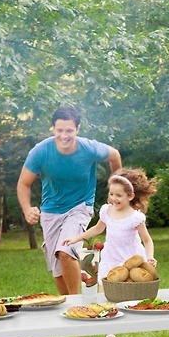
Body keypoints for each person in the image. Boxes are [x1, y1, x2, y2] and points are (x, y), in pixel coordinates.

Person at [17, 105, 122, 294]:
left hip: (80, 206)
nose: (64, 135)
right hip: (50, 210)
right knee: (57, 267)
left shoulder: (88, 148)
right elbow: (23, 184)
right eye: (59, 130)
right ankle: (68, 307)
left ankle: (77, 304)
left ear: (77, 130)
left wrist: (115, 185)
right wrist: (27, 209)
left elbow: (114, 155)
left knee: (66, 252)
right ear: (53, 129)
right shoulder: (40, 151)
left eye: (69, 131)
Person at [62, 168, 158, 280]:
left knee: (127, 292)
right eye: (111, 194)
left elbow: (147, 240)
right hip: (111, 257)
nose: (113, 198)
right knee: (106, 289)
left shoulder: (135, 218)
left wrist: (150, 257)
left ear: (130, 196)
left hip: (130, 258)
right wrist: (76, 238)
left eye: (119, 195)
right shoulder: (106, 211)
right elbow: (97, 228)